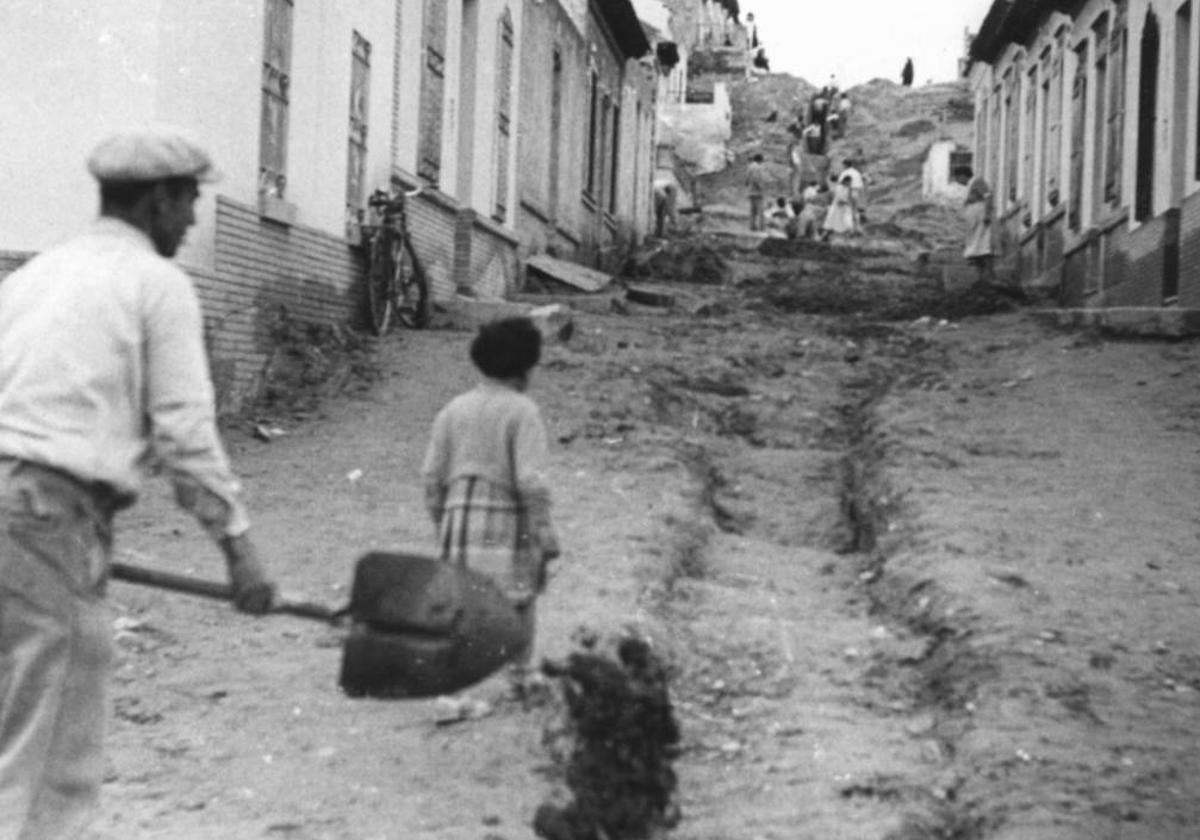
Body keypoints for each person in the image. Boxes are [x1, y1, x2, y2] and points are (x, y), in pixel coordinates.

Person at [0, 126, 278, 839]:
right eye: (188, 202)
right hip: (49, 513)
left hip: (23, 511)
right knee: (49, 758)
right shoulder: (157, 285)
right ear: (158, 201)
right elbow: (185, 433)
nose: (191, 222)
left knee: (14, 727)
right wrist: (238, 548)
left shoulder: (34, 276)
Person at [421, 317, 561, 675]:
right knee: (519, 597)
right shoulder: (522, 411)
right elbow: (531, 480)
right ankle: (519, 675)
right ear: (527, 367)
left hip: (458, 518)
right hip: (507, 522)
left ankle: (451, 688)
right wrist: (543, 528)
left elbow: (431, 476)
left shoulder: (452, 410)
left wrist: (442, 521)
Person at [961, 168, 996, 285]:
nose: (958, 181)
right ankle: (980, 277)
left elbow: (988, 196)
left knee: (984, 247)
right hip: (973, 222)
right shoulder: (969, 186)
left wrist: (987, 214)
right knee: (975, 250)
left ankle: (989, 275)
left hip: (980, 218)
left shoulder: (977, 181)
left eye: (958, 178)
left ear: (963, 175)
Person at [821, 173, 857, 241]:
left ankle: (848, 237)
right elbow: (839, 200)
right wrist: (846, 202)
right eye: (849, 182)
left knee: (844, 225)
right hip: (838, 209)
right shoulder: (839, 187)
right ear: (846, 181)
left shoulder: (846, 188)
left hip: (843, 209)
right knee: (833, 225)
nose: (850, 183)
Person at [745, 153, 769, 232]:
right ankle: (762, 228)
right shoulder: (757, 167)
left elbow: (747, 180)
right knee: (760, 211)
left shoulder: (749, 167)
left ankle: (752, 226)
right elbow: (756, 179)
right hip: (757, 192)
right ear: (760, 160)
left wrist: (748, 186)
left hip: (751, 191)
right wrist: (761, 187)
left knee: (753, 211)